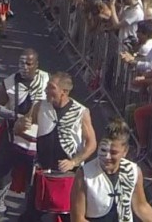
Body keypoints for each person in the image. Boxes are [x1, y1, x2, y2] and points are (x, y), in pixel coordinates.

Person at [17, 72, 97, 222]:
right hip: (43, 171)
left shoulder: (81, 112)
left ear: (64, 92)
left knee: (67, 215)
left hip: (68, 175)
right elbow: (18, 128)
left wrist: (74, 161)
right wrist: (21, 125)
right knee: (31, 215)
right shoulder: (40, 106)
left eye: (51, 87)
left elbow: (92, 144)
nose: (46, 90)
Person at [0, 49, 49, 214]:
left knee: (33, 175)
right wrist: (14, 115)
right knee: (3, 170)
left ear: (36, 65)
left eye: (29, 64)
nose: (24, 67)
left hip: (38, 137)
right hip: (12, 134)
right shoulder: (9, 83)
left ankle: (29, 208)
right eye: (21, 63)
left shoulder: (46, 80)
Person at [70, 119, 152, 222]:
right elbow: (77, 219)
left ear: (125, 151)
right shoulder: (83, 174)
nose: (107, 157)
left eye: (113, 152)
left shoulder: (134, 171)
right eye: (103, 150)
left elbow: (141, 206)